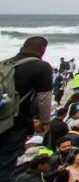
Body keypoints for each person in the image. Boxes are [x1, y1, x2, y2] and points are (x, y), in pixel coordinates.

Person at [0, 37, 54, 182]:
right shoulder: (42, 67)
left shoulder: (5, 64)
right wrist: (45, 123)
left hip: (2, 117)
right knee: (6, 166)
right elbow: (44, 99)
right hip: (16, 123)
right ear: (43, 50)